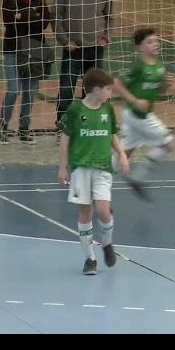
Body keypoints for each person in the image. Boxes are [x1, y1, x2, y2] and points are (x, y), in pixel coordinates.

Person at [58, 68, 129, 275]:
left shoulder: (108, 110)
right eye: (108, 89)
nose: (110, 93)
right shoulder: (75, 111)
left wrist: (122, 155)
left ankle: (107, 243)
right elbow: (65, 139)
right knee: (85, 211)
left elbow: (112, 134)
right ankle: (90, 258)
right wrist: (62, 167)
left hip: (102, 167)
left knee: (103, 211)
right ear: (96, 90)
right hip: (80, 167)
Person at [113, 27, 174, 201]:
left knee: (124, 154)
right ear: (140, 48)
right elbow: (117, 83)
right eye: (150, 42)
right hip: (137, 115)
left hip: (137, 116)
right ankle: (137, 178)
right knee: (168, 145)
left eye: (156, 41)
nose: (155, 44)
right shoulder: (138, 66)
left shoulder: (160, 66)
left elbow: (157, 91)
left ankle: (96, 177)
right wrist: (135, 101)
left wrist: (165, 85)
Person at [55, 0, 113, 138]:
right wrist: (65, 41)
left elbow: (110, 17)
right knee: (66, 91)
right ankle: (62, 128)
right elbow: (56, 16)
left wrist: (106, 37)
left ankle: (88, 127)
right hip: (73, 49)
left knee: (94, 92)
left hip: (95, 49)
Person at [0, 0, 52, 145]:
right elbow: (9, 24)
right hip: (13, 50)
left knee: (29, 92)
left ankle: (24, 129)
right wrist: (31, 16)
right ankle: (3, 127)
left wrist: (22, 16)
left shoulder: (40, 1)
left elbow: (43, 24)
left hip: (33, 52)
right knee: (14, 90)